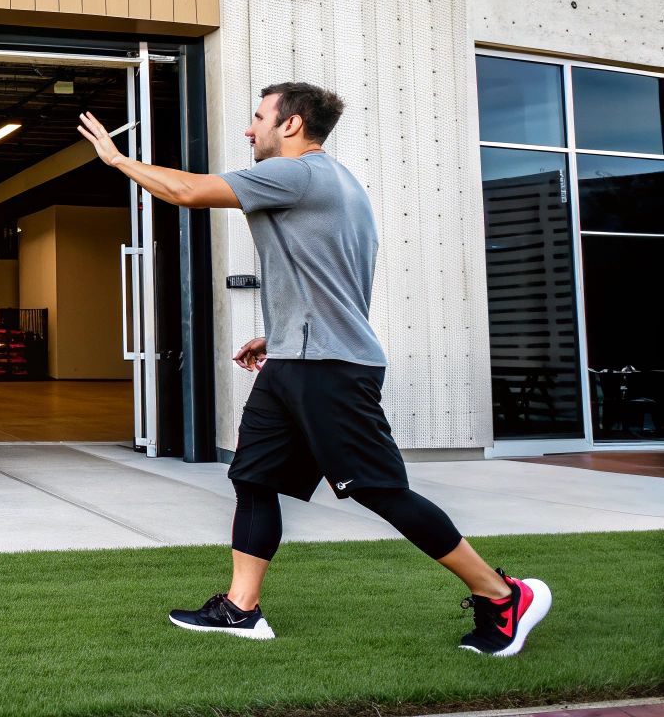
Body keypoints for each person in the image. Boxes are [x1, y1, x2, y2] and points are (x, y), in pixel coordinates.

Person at [75, 82, 550, 657]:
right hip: (297, 359)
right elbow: (328, 281)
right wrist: (276, 335)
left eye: (258, 119)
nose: (249, 131)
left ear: (292, 124)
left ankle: (502, 596)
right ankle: (240, 609)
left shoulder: (298, 175)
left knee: (379, 491)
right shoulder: (339, 183)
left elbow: (186, 191)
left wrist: (117, 158)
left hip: (329, 367)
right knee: (252, 478)